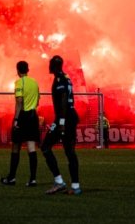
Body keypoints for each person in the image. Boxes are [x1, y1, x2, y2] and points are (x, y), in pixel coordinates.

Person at [41, 56, 81, 195]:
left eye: (50, 63)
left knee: (46, 147)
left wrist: (62, 122)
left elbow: (64, 99)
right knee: (69, 151)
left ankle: (59, 182)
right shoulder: (66, 77)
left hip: (65, 118)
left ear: (54, 65)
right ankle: (75, 186)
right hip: (69, 116)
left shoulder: (59, 79)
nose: (48, 66)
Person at [1, 61, 40, 187]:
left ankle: (11, 178)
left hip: (23, 115)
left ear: (18, 70)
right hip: (34, 115)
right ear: (28, 69)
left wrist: (16, 119)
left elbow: (19, 101)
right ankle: (33, 179)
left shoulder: (19, 82)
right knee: (31, 147)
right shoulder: (34, 82)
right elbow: (38, 100)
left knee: (16, 146)